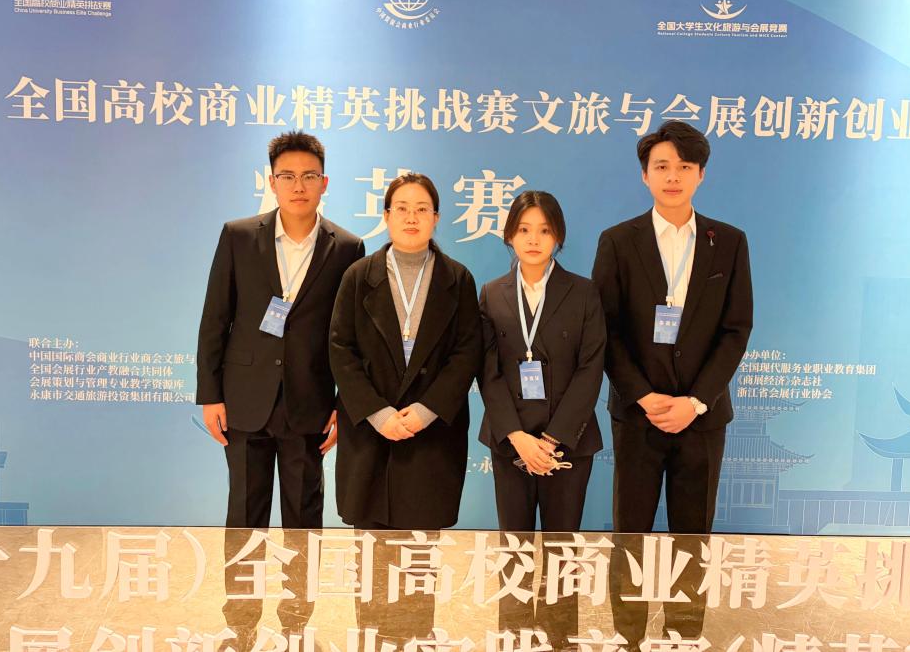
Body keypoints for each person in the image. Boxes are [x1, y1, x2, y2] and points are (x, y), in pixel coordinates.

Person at [196, 130, 365, 641]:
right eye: (287, 176)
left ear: (324, 183)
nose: (298, 185)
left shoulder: (347, 247)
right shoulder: (238, 236)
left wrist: (344, 405)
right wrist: (210, 394)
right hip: (244, 399)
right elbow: (215, 318)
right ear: (271, 182)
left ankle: (296, 622)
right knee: (245, 516)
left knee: (303, 518)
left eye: (309, 176)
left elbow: (351, 337)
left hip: (309, 404)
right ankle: (240, 622)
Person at [591, 120, 753, 648]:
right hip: (637, 415)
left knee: (693, 535)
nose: (673, 176)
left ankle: (684, 635)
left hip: (701, 419)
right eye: (661, 166)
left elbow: (736, 329)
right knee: (630, 534)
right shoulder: (618, 241)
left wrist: (697, 401)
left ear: (701, 174)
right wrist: (643, 395)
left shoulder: (729, 242)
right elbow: (606, 330)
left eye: (685, 166)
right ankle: (628, 636)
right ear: (645, 175)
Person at [329, 172, 482, 644]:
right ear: (386, 216)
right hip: (371, 434)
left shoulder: (458, 279)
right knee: (371, 561)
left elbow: (467, 353)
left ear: (436, 218)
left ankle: (416, 638)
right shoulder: (359, 276)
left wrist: (426, 410)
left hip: (429, 435)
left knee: (419, 555)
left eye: (422, 209)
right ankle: (372, 639)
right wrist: (378, 414)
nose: (411, 217)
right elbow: (340, 350)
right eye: (402, 208)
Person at [478, 190, 606, 650]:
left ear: (558, 236)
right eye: (524, 229)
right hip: (510, 442)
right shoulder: (491, 293)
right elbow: (487, 371)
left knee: (561, 553)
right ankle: (511, 640)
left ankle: (559, 640)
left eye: (545, 230)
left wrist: (551, 440)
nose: (534, 239)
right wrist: (517, 436)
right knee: (513, 552)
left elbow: (591, 369)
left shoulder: (584, 292)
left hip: (567, 444)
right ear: (510, 235)